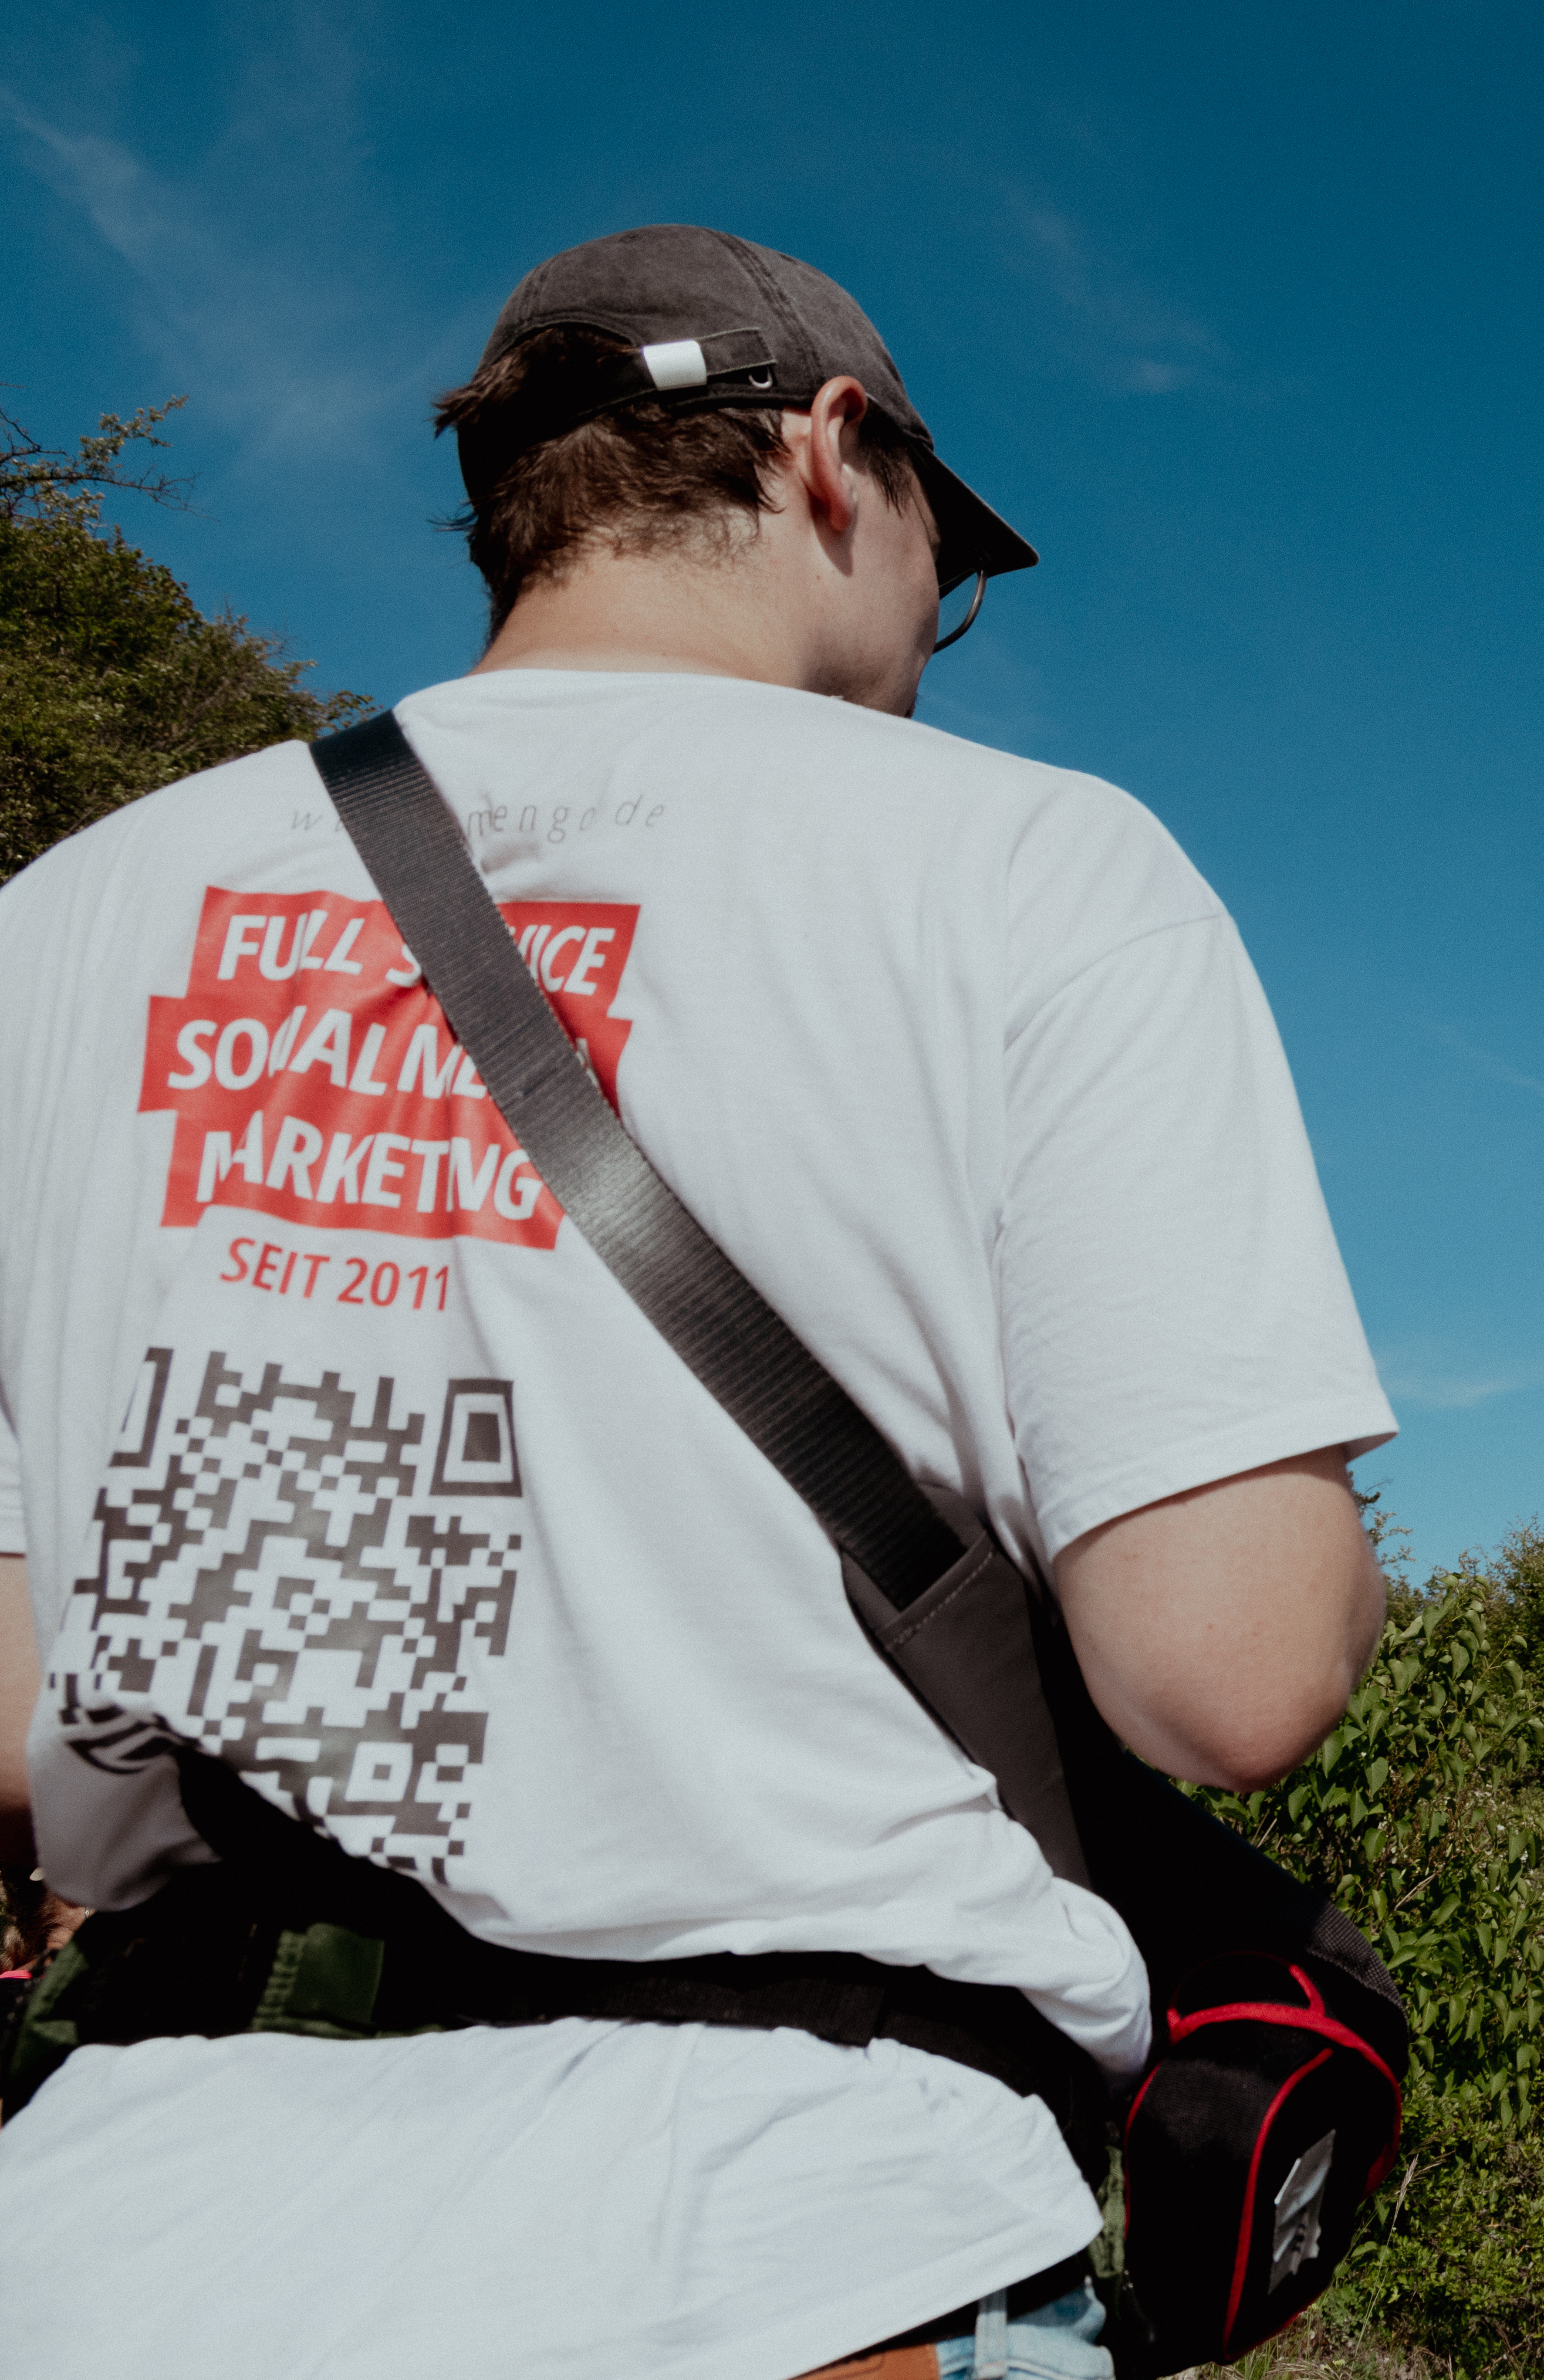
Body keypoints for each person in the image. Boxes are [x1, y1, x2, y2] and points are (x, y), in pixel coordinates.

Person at [0, 224, 1396, 2378]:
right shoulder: (1033, 868)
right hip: (793, 2232)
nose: (948, 619)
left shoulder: (70, 918)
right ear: (836, 456)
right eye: (956, 555)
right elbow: (1230, 1677)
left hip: (107, 2237)